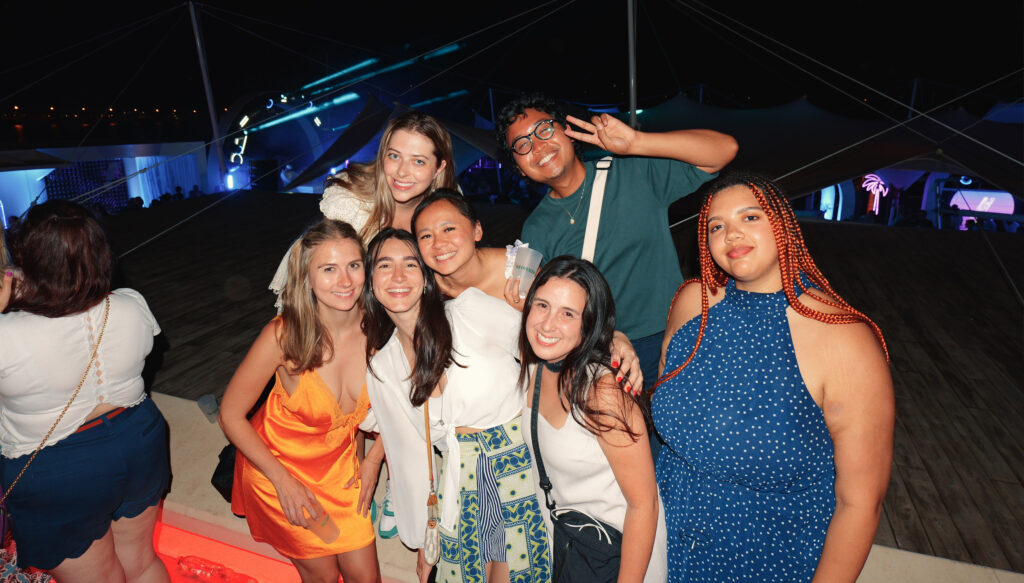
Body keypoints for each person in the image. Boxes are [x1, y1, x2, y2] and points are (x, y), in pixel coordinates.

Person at [654, 173, 894, 582]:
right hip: (666, 546)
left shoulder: (843, 339)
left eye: (750, 217)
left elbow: (860, 503)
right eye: (716, 225)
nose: (731, 233)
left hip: (765, 559)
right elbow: (665, 411)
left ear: (784, 225)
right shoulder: (693, 303)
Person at [495, 93, 738, 390]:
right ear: (519, 168)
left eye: (544, 129)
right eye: (522, 144)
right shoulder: (536, 226)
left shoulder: (632, 172)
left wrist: (637, 142)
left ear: (567, 132)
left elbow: (724, 149)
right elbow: (541, 300)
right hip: (603, 354)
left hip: (674, 337)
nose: (538, 146)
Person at [361, 229, 551, 583]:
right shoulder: (384, 367)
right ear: (371, 282)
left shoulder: (469, 310)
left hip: (521, 468)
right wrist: (425, 534)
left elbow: (546, 347)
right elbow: (408, 454)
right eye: (385, 266)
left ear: (426, 276)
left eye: (410, 264)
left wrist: (612, 341)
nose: (398, 277)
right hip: (460, 488)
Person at [0, 201, 170, 582]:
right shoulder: (130, 303)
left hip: (59, 468)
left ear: (25, 261)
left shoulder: (6, 334)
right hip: (138, 440)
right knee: (141, 562)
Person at [220, 220, 382, 583]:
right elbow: (230, 415)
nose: (345, 281)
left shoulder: (379, 329)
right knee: (322, 577)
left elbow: (409, 405)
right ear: (306, 277)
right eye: (328, 269)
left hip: (341, 471)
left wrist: (371, 461)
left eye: (354, 266)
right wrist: (283, 482)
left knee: (366, 578)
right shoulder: (283, 335)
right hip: (279, 472)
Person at [518, 256, 667, 582]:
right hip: (568, 547)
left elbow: (644, 505)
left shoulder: (603, 393)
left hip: (617, 554)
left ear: (590, 325)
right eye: (542, 305)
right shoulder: (532, 370)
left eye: (567, 314)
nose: (547, 324)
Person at [410, 189, 643, 391]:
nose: (438, 243)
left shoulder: (519, 270)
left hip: (537, 391)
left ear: (477, 230)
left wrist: (615, 336)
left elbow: (571, 315)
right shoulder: (418, 290)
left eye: (448, 229)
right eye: (426, 235)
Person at [269, 112, 458, 304]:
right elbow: (326, 281)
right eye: (394, 156)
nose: (401, 171)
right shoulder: (350, 201)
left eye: (418, 161)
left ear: (439, 168)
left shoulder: (447, 205)